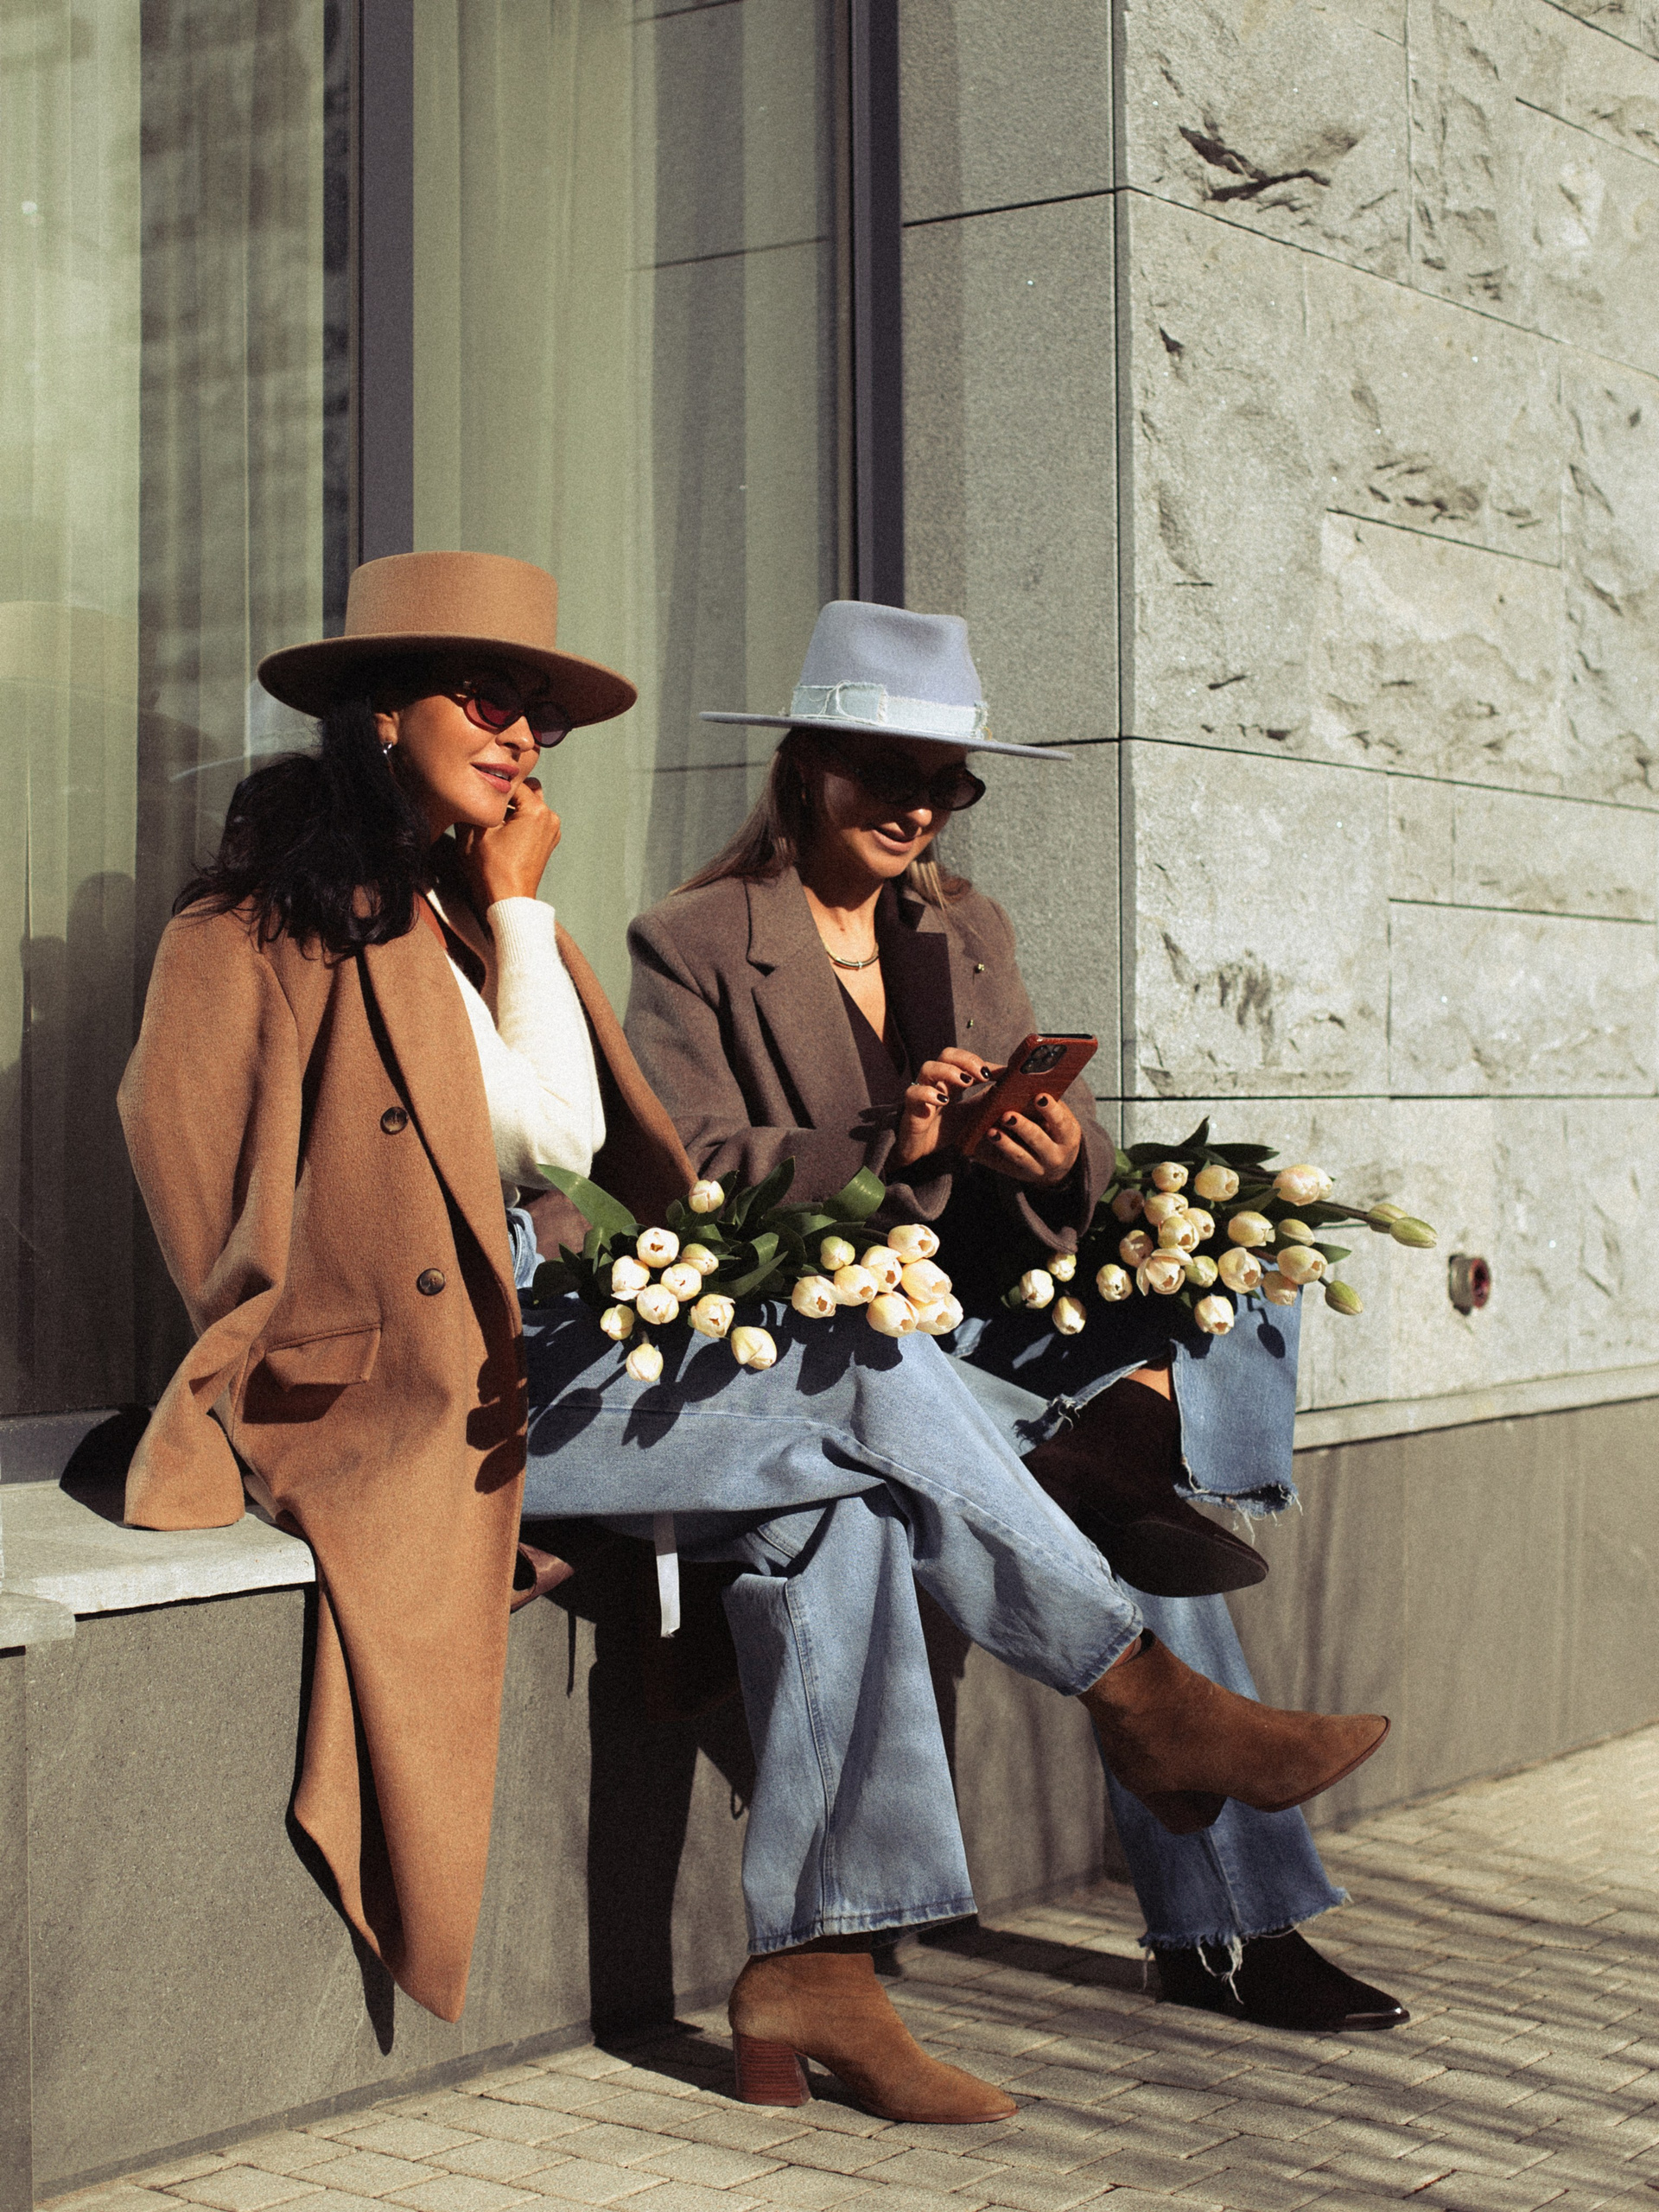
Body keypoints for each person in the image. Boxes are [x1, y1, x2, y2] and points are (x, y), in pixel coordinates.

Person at [118, 554, 1389, 2124]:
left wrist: (516, 918)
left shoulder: (483, 918)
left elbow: (563, 1146)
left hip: (558, 1345)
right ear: (383, 714)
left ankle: (817, 1966)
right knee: (871, 1363)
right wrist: (309, 1349)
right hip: (404, 1393)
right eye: (488, 700)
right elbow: (198, 1177)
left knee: (842, 1511)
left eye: (538, 719)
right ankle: (1139, 1696)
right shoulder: (249, 931)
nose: (520, 738)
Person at [624, 599, 1408, 2033]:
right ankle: (1235, 1930)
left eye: (949, 784)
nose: (920, 809)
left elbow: (1070, 1149)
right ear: (805, 766)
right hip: (856, 1342)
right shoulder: (695, 941)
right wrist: (894, 1148)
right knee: (1133, 1528)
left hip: (992, 1312)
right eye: (889, 775)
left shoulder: (965, 925)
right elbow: (684, 1165)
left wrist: (1057, 1163)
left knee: (1236, 1285)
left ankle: (1113, 1459)